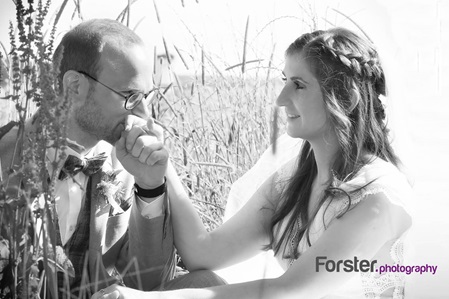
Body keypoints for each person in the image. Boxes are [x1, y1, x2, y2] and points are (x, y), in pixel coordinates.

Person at [92, 27, 413, 299]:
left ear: (347, 96)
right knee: (201, 280)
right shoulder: (297, 178)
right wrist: (161, 166)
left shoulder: (377, 198)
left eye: (298, 85)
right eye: (284, 80)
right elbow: (203, 253)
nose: (281, 98)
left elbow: (289, 291)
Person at [0, 19, 223, 298]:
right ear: (74, 87)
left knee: (208, 285)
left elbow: (149, 283)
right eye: (130, 96)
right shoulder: (5, 155)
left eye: (146, 97)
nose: (143, 114)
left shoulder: (127, 163)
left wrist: (150, 185)